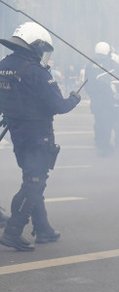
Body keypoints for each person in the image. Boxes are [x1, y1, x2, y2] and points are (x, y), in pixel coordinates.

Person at [0, 22, 81, 251]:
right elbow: (58, 105)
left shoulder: (3, 65)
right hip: (38, 136)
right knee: (34, 182)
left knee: (32, 179)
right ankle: (13, 231)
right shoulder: (36, 71)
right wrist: (74, 98)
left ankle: (43, 228)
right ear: (35, 45)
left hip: (17, 134)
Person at [84, 41, 115, 156]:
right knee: (107, 123)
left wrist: (93, 95)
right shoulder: (110, 63)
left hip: (96, 100)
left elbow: (86, 83)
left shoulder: (89, 64)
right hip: (108, 100)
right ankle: (104, 145)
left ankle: (100, 141)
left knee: (99, 121)